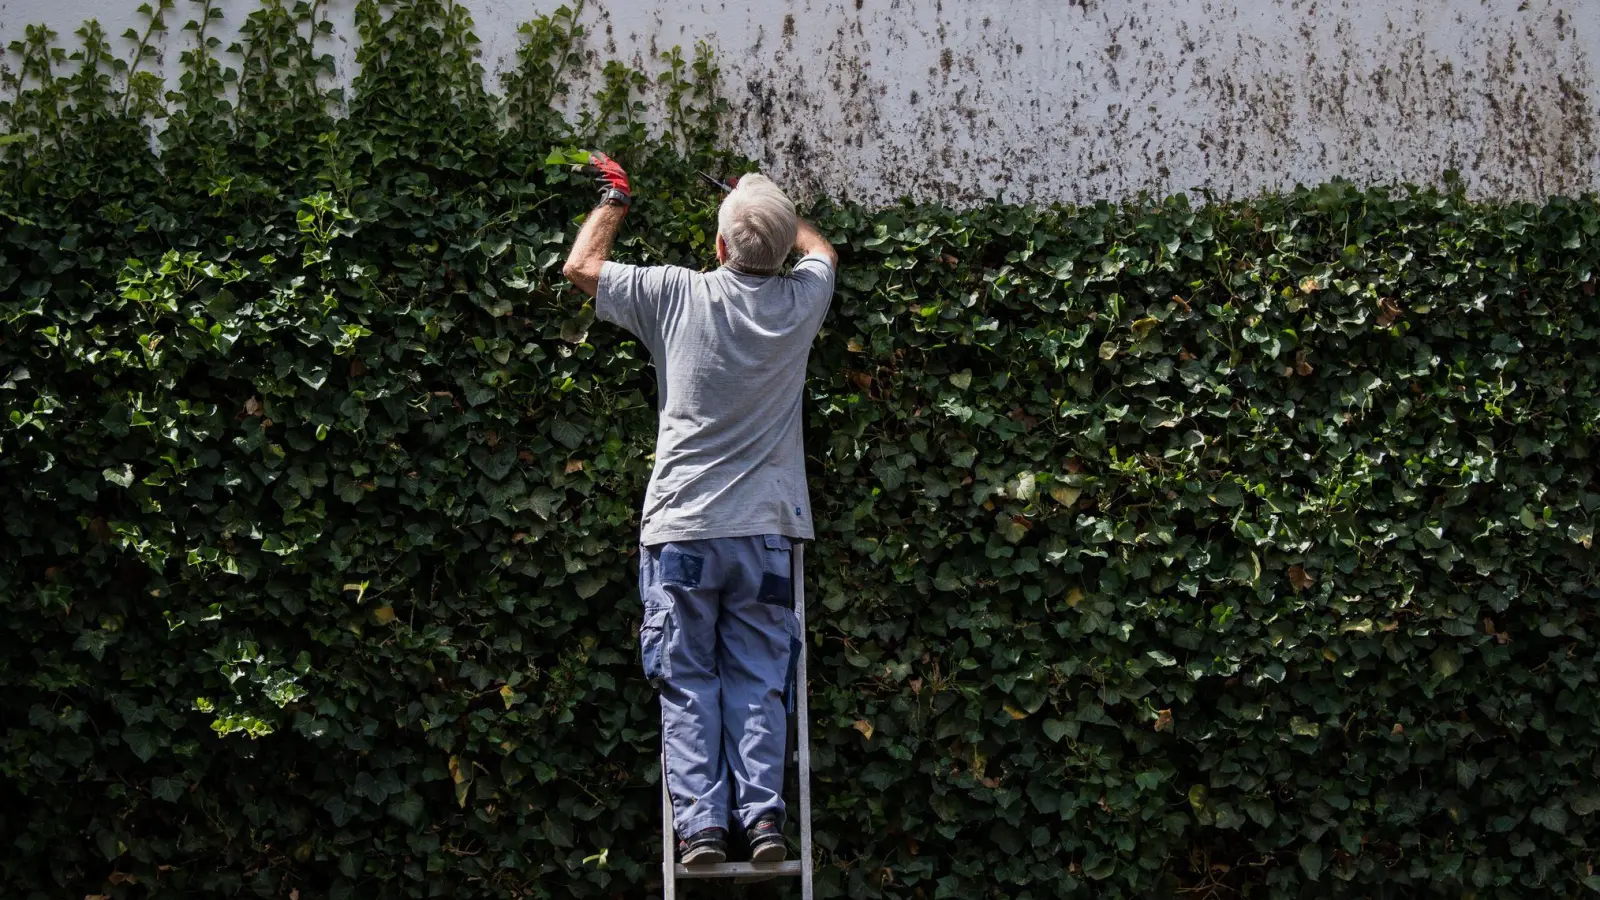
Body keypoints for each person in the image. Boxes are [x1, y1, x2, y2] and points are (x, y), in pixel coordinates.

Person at [562, 152, 838, 865]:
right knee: (757, 679)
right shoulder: (802, 301)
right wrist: (768, 203)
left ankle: (704, 831)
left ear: (717, 246)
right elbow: (820, 250)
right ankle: (766, 825)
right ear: (779, 254)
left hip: (683, 527)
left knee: (688, 681)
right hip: (766, 534)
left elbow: (581, 268)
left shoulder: (676, 294)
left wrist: (616, 197)